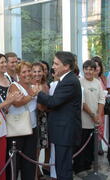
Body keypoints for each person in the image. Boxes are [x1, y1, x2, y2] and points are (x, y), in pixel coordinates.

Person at [37, 51, 82, 180]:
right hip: (62, 131)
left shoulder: (69, 81)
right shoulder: (67, 79)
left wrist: (38, 93)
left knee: (63, 168)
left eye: (56, 64)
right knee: (62, 166)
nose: (53, 66)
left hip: (65, 132)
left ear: (66, 66)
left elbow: (54, 102)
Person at [6, 61, 39, 180]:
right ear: (18, 74)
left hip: (32, 127)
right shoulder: (14, 85)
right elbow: (17, 103)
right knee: (16, 161)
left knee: (30, 161)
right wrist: (31, 95)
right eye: (24, 72)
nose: (27, 74)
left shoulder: (33, 85)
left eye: (29, 71)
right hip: (17, 129)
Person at [73, 60, 105, 175]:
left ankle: (88, 167)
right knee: (81, 146)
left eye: (91, 69)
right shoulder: (79, 82)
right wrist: (92, 114)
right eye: (86, 69)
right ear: (83, 69)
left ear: (94, 70)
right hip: (82, 121)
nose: (88, 71)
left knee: (91, 146)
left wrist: (98, 115)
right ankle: (79, 169)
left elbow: (102, 99)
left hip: (94, 121)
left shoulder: (97, 83)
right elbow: (82, 102)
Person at [91, 56, 107, 155]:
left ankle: (99, 147)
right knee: (92, 130)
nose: (97, 68)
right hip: (92, 109)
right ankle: (93, 151)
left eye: (98, 66)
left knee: (100, 129)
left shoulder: (103, 78)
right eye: (94, 66)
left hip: (102, 109)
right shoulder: (89, 79)